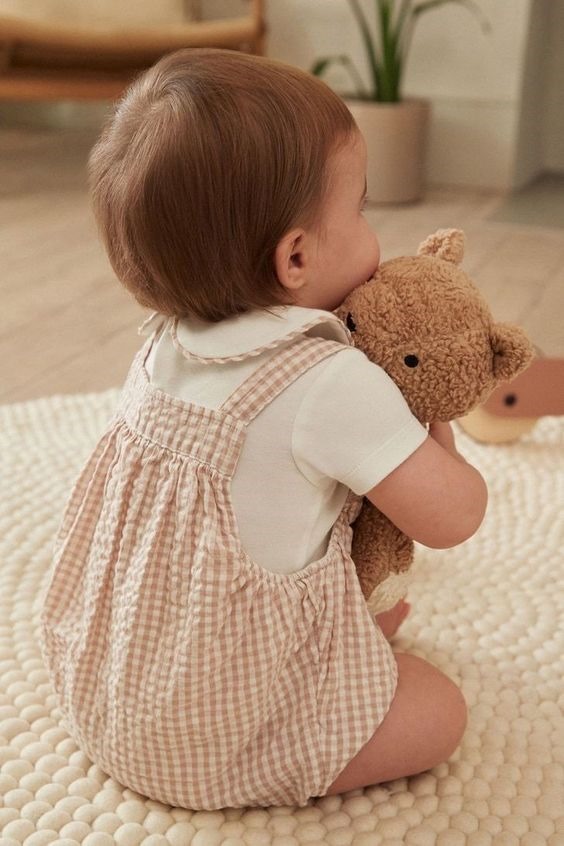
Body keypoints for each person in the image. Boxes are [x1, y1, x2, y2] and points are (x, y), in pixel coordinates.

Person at [40, 48, 487, 811]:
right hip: (210, 735)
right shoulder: (332, 382)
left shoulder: (164, 342)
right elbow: (453, 515)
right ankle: (277, 735)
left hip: (105, 687)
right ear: (296, 256)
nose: (373, 234)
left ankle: (305, 663)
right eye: (361, 211)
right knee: (439, 711)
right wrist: (429, 404)